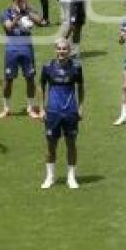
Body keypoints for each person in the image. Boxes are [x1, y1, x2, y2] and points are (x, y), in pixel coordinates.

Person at [39, 38, 84, 189]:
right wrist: (41, 108)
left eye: (64, 49)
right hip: (52, 112)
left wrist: (81, 107)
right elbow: (41, 87)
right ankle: (50, 177)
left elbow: (81, 87)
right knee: (51, 145)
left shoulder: (76, 67)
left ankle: (71, 177)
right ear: (55, 50)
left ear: (69, 51)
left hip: (71, 111)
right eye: (59, 49)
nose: (61, 52)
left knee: (71, 144)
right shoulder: (47, 67)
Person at [0, 0, 43, 119]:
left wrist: (27, 11)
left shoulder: (28, 11)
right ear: (16, 1)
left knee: (30, 78)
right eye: (23, 0)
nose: (25, 2)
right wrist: (17, 17)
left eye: (26, 0)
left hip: (27, 49)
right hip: (12, 49)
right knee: (8, 78)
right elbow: (8, 28)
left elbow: (40, 22)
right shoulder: (5, 13)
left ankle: (30, 108)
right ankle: (6, 108)